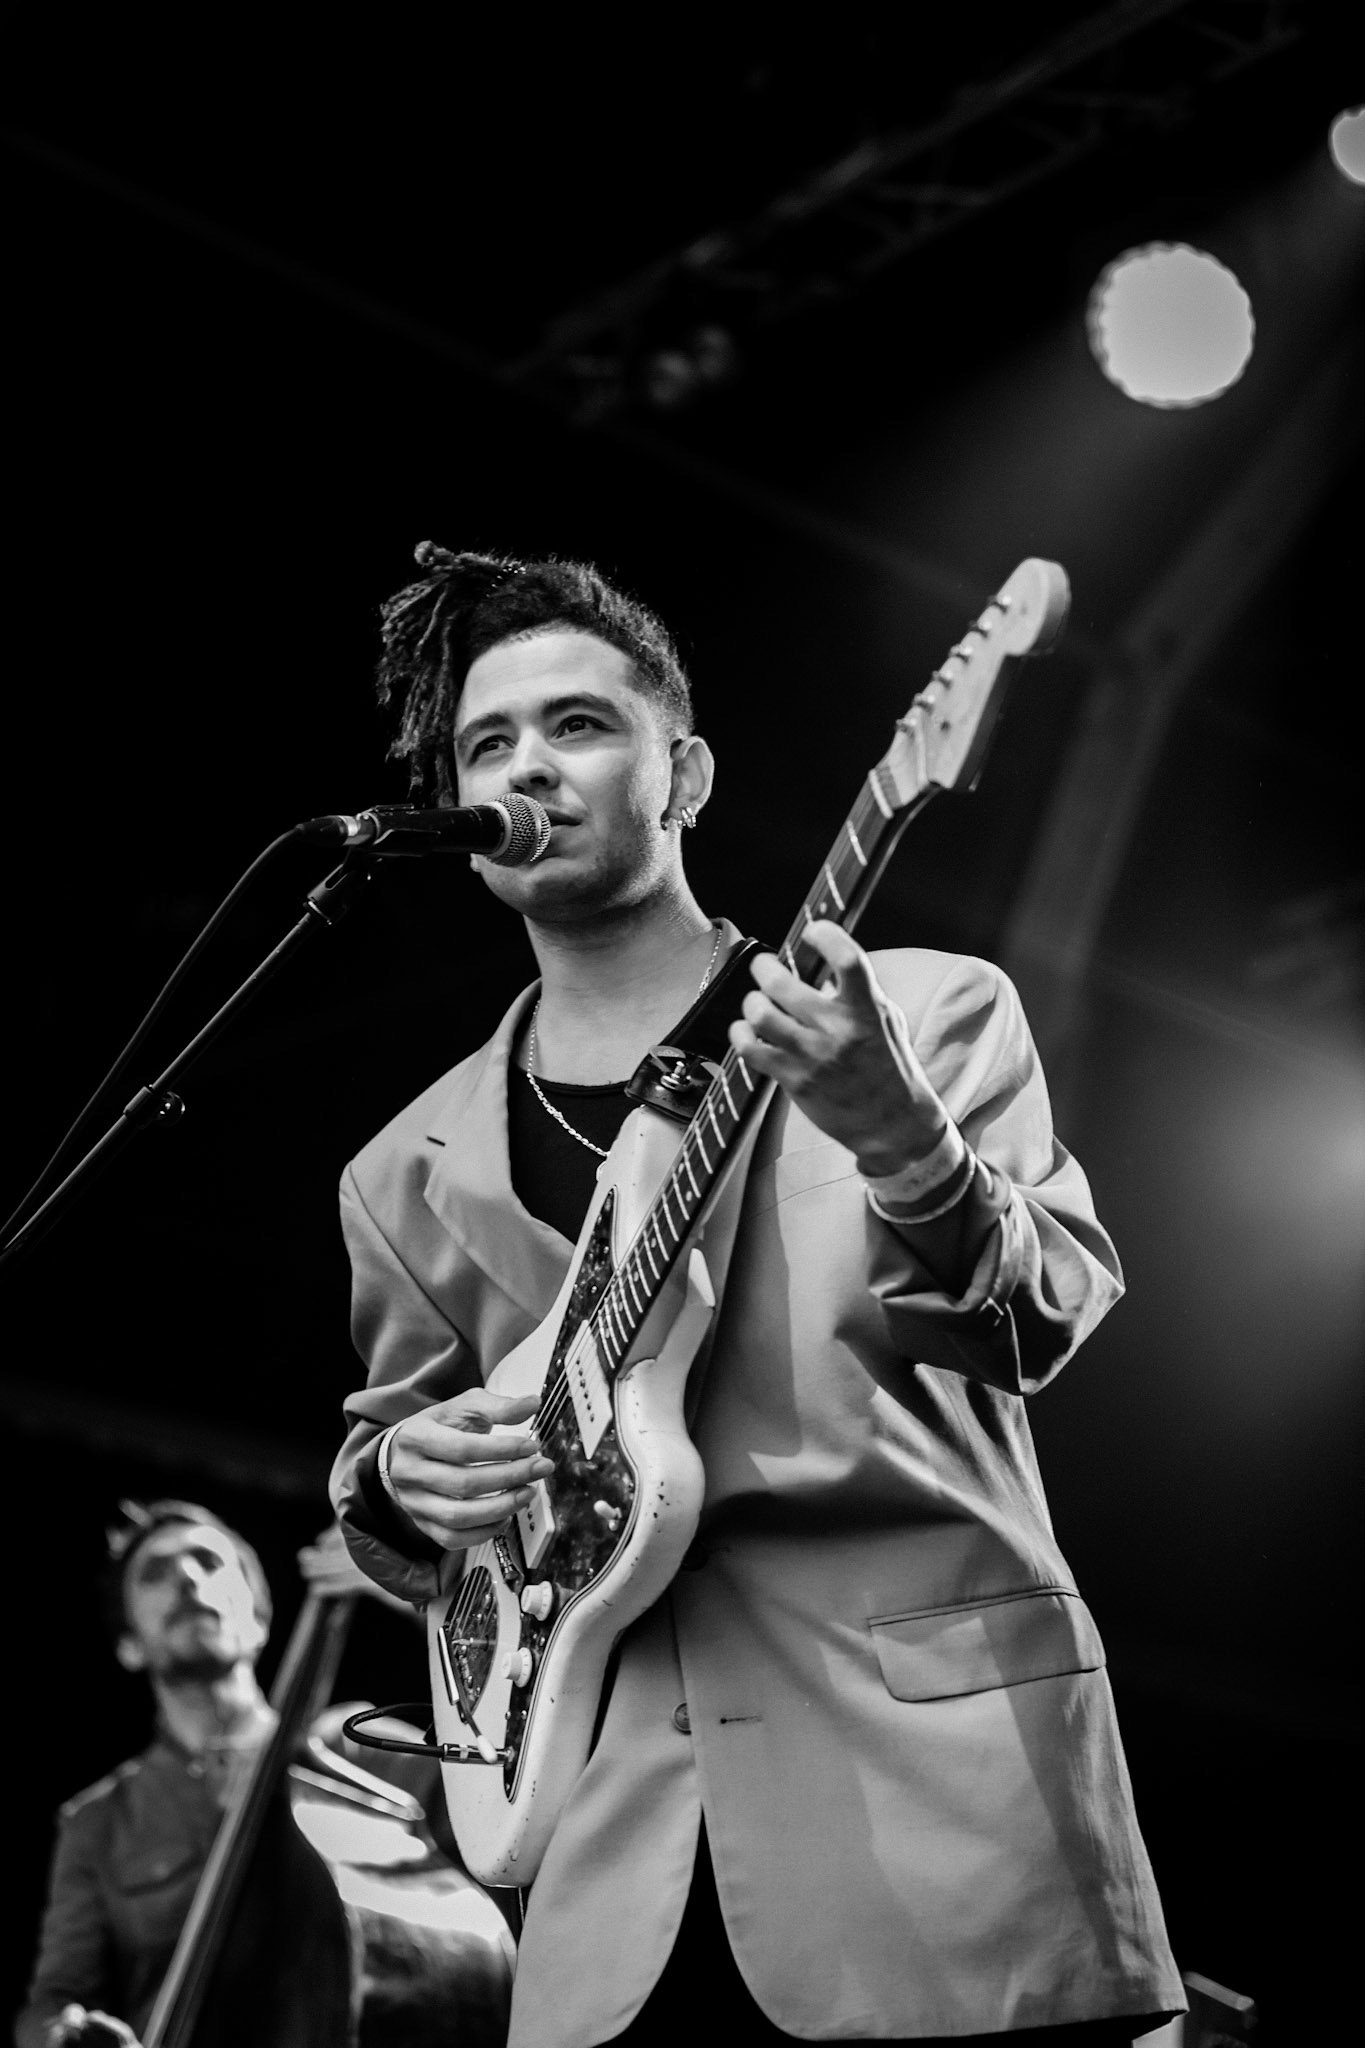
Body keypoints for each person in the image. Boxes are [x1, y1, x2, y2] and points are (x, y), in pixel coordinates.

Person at [330, 545, 1185, 2047]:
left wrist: (905, 1139)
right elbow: (392, 1476)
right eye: (486, 743)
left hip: (935, 1822)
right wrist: (401, 1475)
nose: (528, 765)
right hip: (606, 1881)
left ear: (688, 774)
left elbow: (1044, 1312)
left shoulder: (922, 1012)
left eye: (580, 724)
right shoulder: (403, 1170)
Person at [16, 1501, 512, 2048]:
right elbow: (53, 2000)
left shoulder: (353, 1753)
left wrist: (429, 1603)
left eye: (208, 1561)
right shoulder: (97, 1821)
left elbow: (501, 1788)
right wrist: (64, 2034)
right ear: (129, 1646)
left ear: (257, 1620)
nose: (187, 1577)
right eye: (155, 1573)